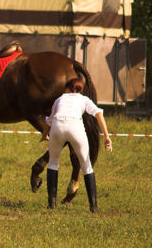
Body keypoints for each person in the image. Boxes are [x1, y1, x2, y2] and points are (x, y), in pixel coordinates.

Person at [44, 78, 112, 212]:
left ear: (68, 88)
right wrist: (107, 136)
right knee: (86, 165)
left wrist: (45, 134)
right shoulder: (84, 99)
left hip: (57, 127)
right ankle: (94, 207)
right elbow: (98, 113)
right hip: (75, 127)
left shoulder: (60, 99)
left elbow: (50, 120)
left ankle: (52, 205)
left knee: (53, 163)